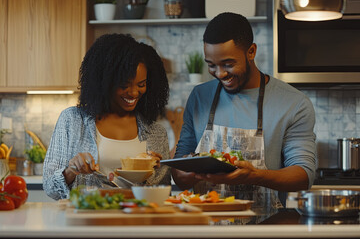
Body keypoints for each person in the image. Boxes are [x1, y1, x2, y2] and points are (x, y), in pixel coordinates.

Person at [172, 13, 317, 208]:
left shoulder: (294, 103)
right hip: (204, 227)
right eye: (212, 65)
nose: (220, 73)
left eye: (228, 64)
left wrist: (255, 176)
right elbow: (180, 169)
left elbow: (303, 176)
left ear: (251, 52)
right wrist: (184, 174)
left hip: (265, 227)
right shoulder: (199, 97)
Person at [43, 33, 171, 200]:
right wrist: (71, 171)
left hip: (136, 223)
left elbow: (164, 194)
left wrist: (151, 173)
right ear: (104, 81)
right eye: (124, 85)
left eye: (141, 84)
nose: (133, 92)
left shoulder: (156, 133)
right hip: (87, 222)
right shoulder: (72, 120)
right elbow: (50, 187)